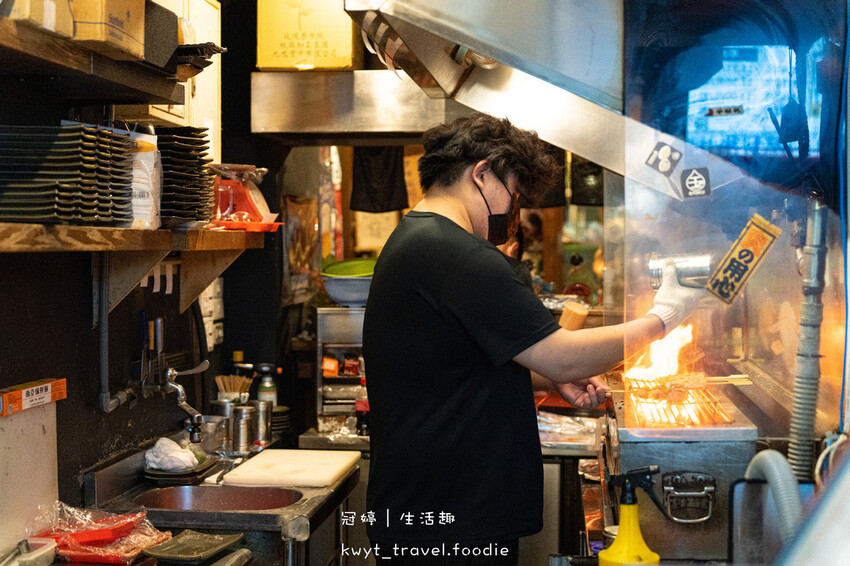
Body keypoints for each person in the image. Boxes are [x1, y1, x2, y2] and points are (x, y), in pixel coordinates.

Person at [362, 112, 704, 565]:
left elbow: (456, 366)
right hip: (448, 518)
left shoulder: (419, 239)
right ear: (481, 173)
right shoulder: (457, 254)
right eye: (513, 192)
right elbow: (563, 355)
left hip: (431, 506)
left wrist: (545, 378)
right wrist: (664, 317)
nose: (513, 210)